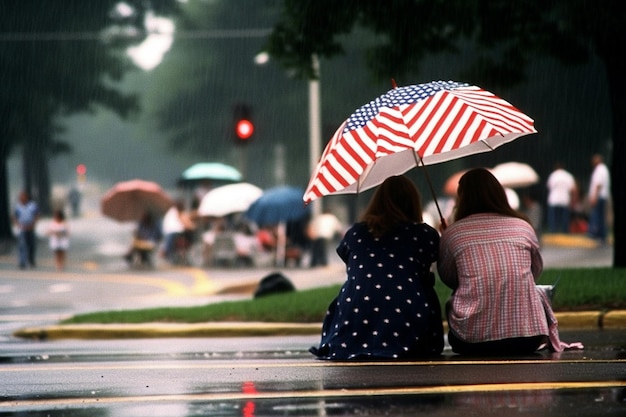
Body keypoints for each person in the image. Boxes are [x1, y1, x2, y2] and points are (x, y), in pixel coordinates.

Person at [438, 168, 580, 355]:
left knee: (452, 302)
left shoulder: (453, 234)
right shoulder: (523, 227)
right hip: (528, 338)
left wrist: (449, 237)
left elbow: (449, 278)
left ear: (462, 198)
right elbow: (534, 271)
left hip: (471, 340)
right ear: (498, 193)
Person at [310, 175, 443, 360]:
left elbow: (352, 264)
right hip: (407, 314)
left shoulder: (356, 233)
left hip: (355, 316)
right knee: (425, 285)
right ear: (413, 201)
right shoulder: (424, 234)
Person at [546, 162, 575, 233]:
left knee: (553, 218)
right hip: (565, 200)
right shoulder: (568, 176)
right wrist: (573, 200)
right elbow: (573, 189)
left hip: (554, 200)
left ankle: (553, 231)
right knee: (564, 219)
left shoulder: (553, 175)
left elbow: (549, 187)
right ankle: (564, 232)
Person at [13, 190, 39, 269]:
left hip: (30, 226)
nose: (21, 198)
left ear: (26, 197)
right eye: (20, 197)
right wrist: (18, 225)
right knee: (22, 245)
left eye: (23, 197)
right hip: (22, 227)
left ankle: (31, 259)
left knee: (32, 245)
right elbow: (14, 217)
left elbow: (36, 215)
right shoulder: (18, 206)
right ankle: (22, 261)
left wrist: (33, 224)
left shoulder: (32, 205)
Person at [587, 154, 610, 244]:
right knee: (601, 217)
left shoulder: (599, 170)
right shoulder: (604, 169)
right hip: (602, 196)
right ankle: (602, 235)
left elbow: (598, 184)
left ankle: (594, 234)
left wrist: (594, 197)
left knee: (596, 216)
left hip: (599, 196)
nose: (592, 162)